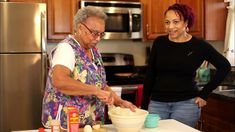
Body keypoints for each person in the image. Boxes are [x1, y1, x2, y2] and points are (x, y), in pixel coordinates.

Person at [41, 6, 136, 130]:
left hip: (89, 125)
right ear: (80, 28)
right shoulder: (66, 49)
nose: (98, 38)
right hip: (65, 125)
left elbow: (101, 85)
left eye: (101, 34)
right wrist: (95, 90)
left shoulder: (94, 51)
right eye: (94, 33)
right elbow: (60, 80)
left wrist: (120, 101)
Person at [141, 3, 231, 127]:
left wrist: (205, 93)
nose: (170, 27)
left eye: (175, 22)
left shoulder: (199, 45)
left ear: (186, 22)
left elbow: (225, 66)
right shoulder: (159, 43)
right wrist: (144, 106)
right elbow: (150, 74)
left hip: (186, 105)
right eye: (167, 22)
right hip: (158, 104)